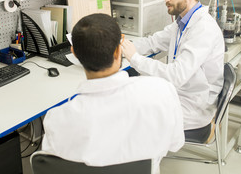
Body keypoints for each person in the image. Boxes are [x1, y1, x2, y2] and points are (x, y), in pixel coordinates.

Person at [41, 13, 184, 174]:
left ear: (75, 53)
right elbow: (175, 143)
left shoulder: (57, 119)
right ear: (118, 51)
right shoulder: (162, 91)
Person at [121, 0, 225, 143]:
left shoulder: (203, 29)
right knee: (129, 97)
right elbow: (153, 42)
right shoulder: (183, 21)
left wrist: (135, 59)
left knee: (128, 116)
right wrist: (119, 46)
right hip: (180, 94)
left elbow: (176, 75)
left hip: (193, 109)